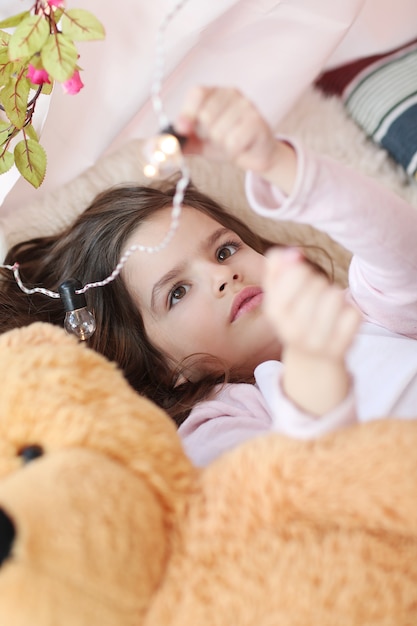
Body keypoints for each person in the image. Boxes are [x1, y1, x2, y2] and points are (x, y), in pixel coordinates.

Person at [1, 86, 417, 466]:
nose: (222, 275)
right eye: (177, 292)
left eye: (224, 249)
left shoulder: (361, 310)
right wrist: (313, 377)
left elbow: (397, 243)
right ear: (164, 368)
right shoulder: (219, 421)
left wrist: (277, 162)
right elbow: (276, 505)